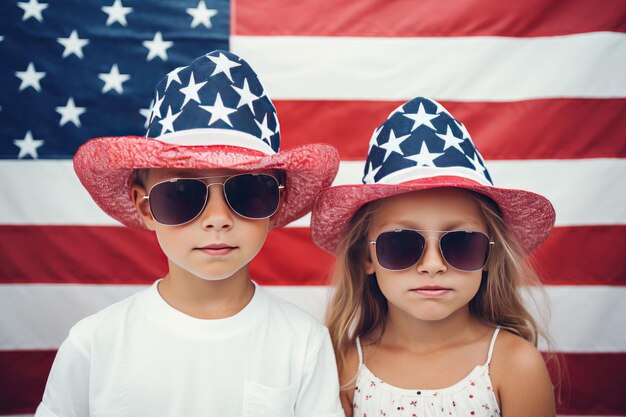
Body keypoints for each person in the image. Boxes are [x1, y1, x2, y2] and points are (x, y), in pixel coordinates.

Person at [35, 50, 345, 417]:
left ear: (275, 202)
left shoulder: (303, 342)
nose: (217, 219)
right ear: (145, 206)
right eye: (181, 193)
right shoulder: (94, 343)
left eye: (246, 192)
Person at [311, 96, 557, 417]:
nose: (432, 266)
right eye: (401, 244)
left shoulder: (514, 364)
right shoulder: (346, 366)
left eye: (461, 243)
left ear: (489, 257)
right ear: (365, 258)